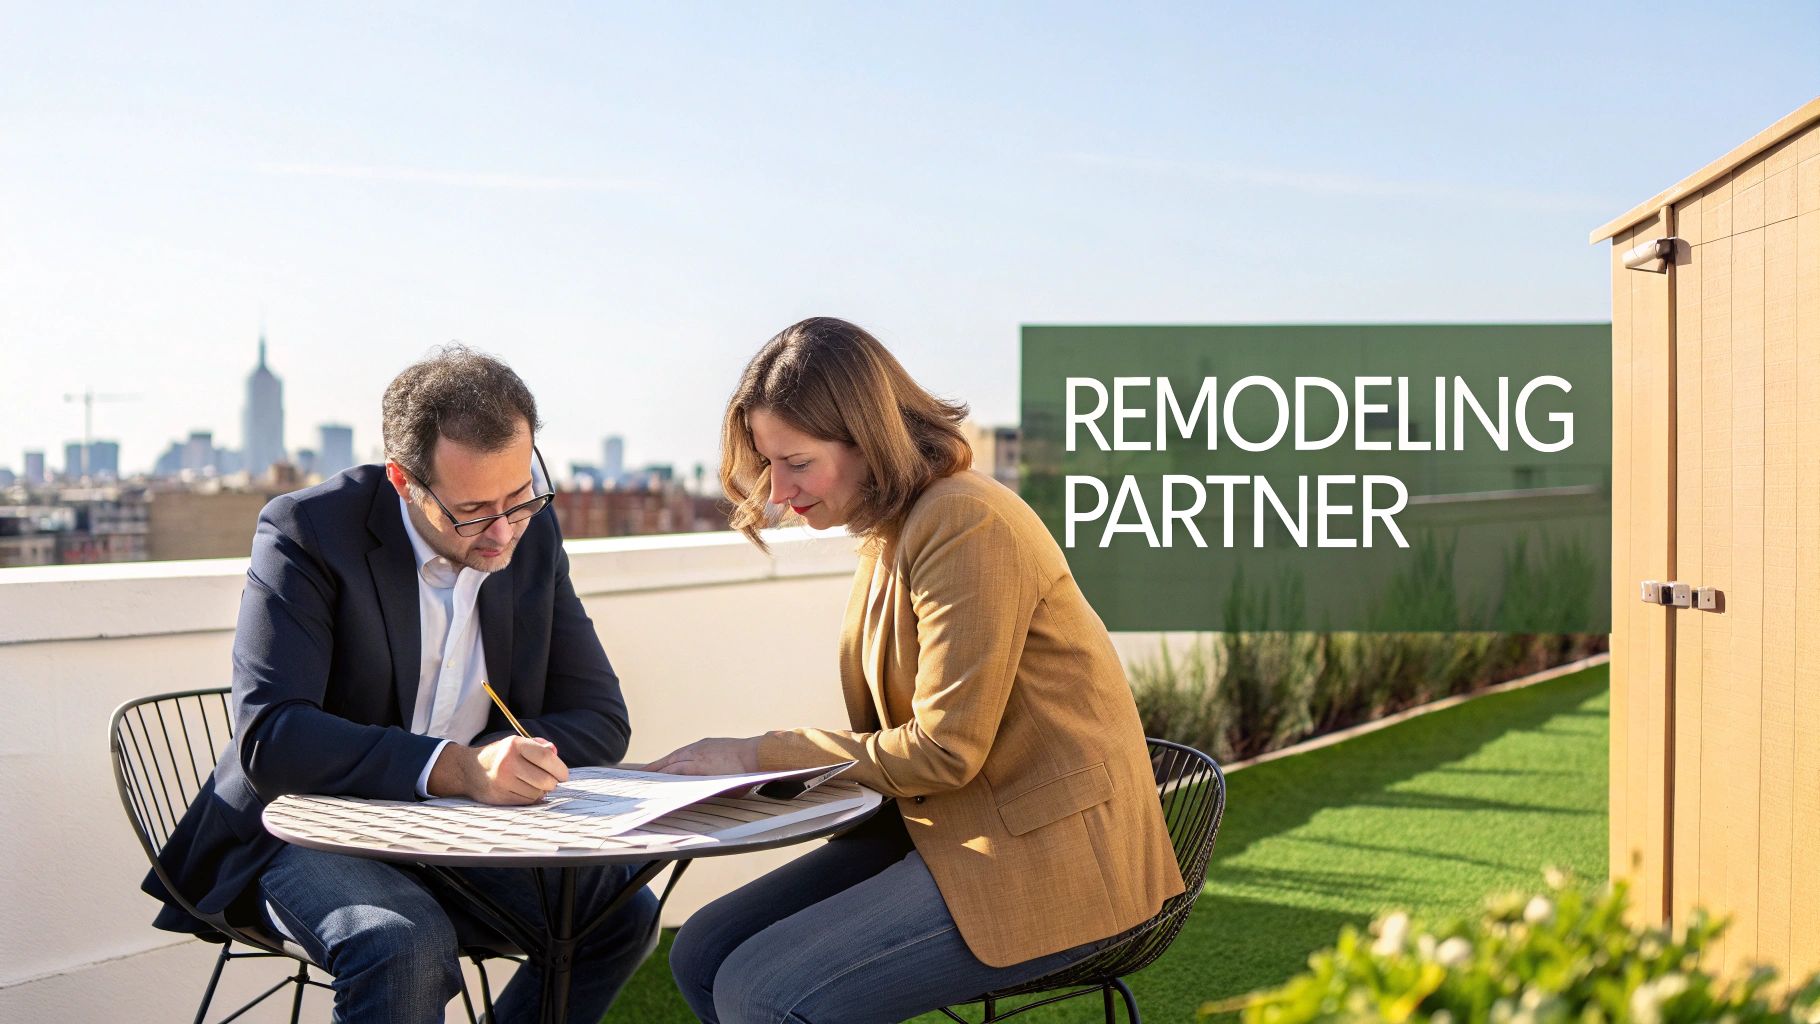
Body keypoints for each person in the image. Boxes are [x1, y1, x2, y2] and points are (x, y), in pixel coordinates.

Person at [653, 317, 1185, 1024]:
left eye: (798, 463)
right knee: (702, 950)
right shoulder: (893, 530)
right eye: (768, 462)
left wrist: (758, 755)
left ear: (868, 439)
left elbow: (945, 748)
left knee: (761, 991)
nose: (777, 491)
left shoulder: (965, 522)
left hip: (1050, 857)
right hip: (947, 827)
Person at [142, 345, 658, 1023]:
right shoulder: (308, 531)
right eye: (473, 510)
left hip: (460, 834)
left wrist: (503, 763)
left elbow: (600, 714)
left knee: (620, 912)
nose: (503, 533)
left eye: (520, 496)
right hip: (306, 825)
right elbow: (271, 737)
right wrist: (457, 769)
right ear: (403, 480)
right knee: (402, 944)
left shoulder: (529, 533)